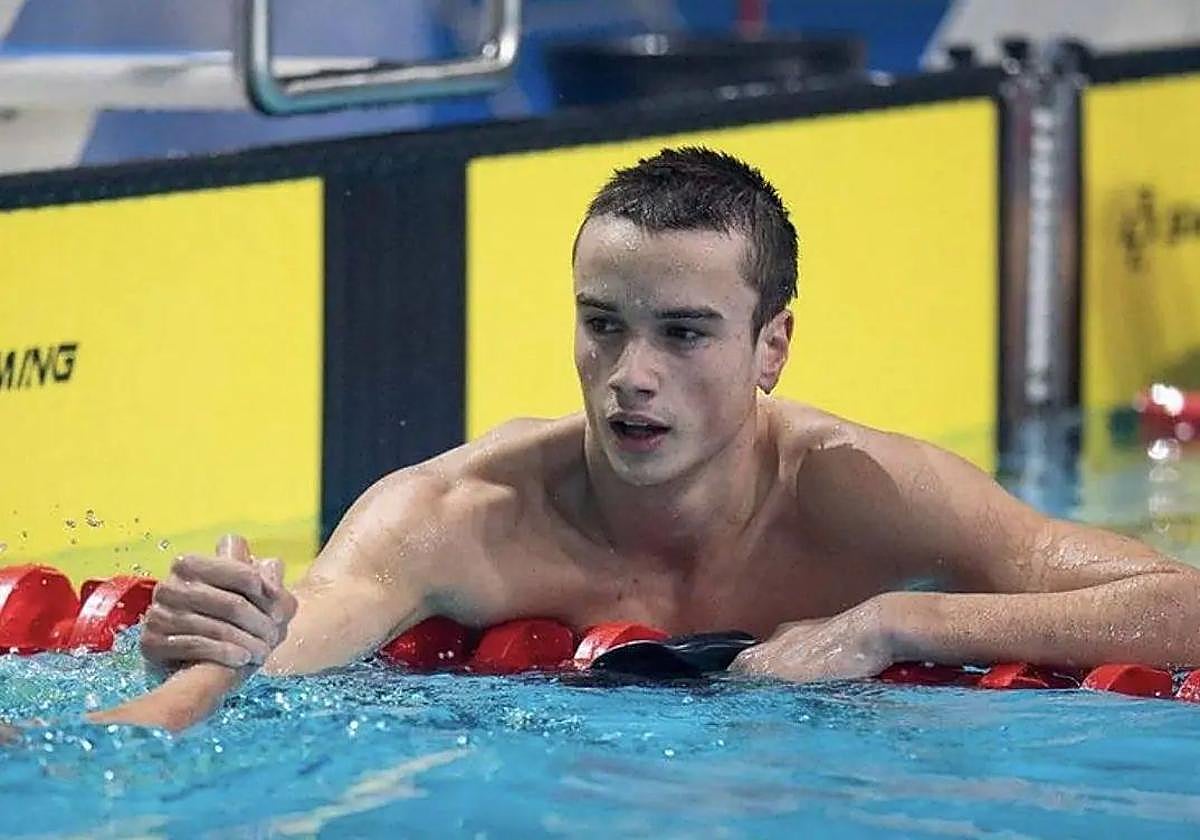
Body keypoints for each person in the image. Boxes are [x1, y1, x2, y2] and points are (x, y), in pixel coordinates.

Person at [91, 147, 1200, 731]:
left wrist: (894, 621)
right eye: (604, 324)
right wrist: (200, 649)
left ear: (771, 347)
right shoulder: (455, 516)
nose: (631, 374)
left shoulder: (862, 493)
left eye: (684, 333)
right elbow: (277, 650)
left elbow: (1181, 605)